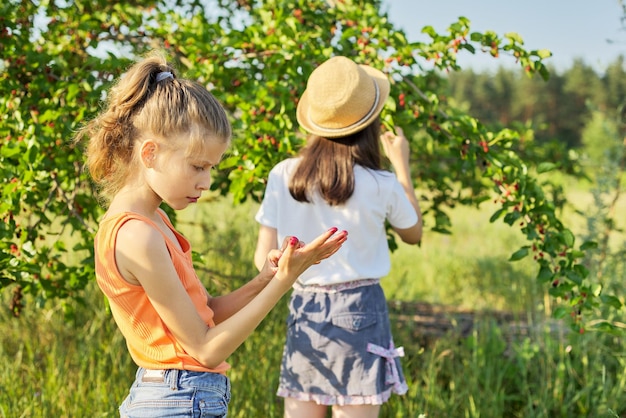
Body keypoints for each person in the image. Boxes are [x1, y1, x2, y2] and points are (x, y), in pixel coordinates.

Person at [75, 51, 348, 418]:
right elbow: (205, 349)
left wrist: (265, 278)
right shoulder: (137, 235)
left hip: (178, 396)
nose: (205, 182)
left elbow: (209, 315)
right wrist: (285, 282)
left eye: (211, 168)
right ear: (150, 154)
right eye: (197, 166)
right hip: (178, 401)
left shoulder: (155, 221)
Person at [254, 56, 423, 418]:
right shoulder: (381, 183)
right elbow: (413, 233)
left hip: (305, 307)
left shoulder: (282, 174)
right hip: (361, 306)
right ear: (370, 121)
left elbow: (262, 258)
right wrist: (402, 167)